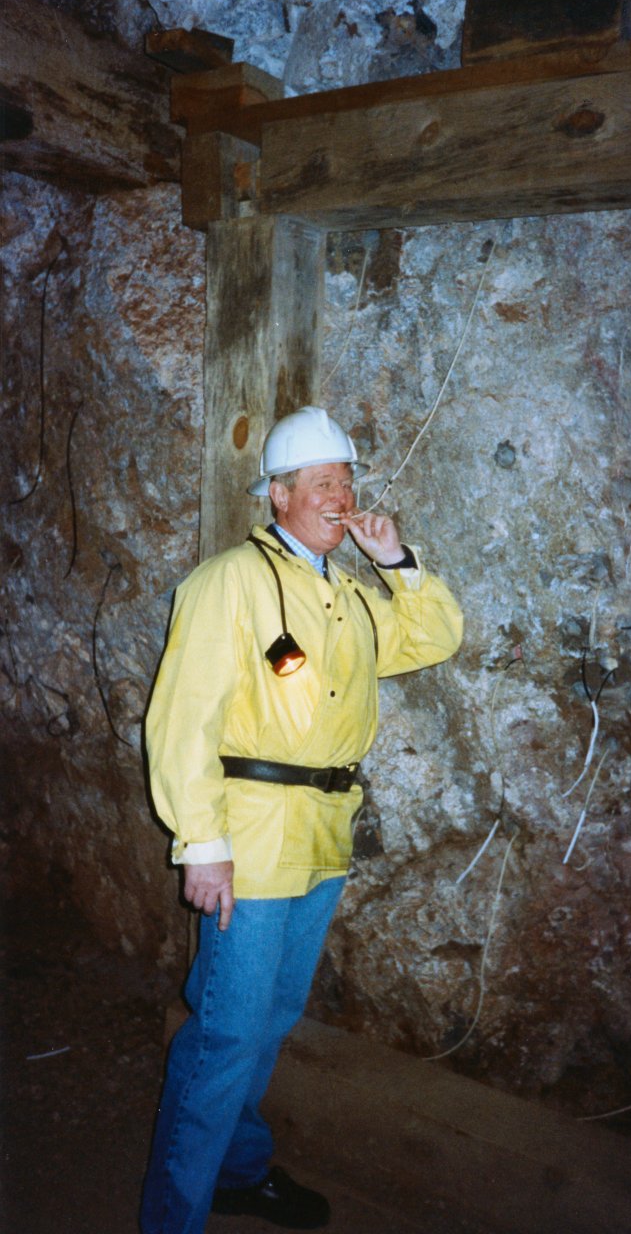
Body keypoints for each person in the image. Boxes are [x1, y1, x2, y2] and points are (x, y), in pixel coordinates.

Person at [140, 406, 463, 1233]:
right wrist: (201, 844)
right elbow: (182, 718)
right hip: (248, 841)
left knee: (267, 1023)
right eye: (321, 483)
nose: (340, 496)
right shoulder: (229, 581)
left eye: (346, 482)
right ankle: (173, 1217)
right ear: (277, 495)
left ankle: (237, 1172)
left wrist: (395, 562)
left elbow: (432, 638)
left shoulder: (346, 596)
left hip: (320, 835)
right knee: (226, 1036)